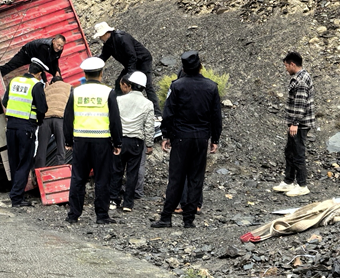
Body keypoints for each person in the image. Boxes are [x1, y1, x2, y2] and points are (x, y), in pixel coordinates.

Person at [151, 51, 222, 229]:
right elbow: (216, 116)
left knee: (176, 177)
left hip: (181, 137)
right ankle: (188, 219)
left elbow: (168, 113)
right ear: (200, 67)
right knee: (196, 178)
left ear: (183, 67)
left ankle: (166, 217)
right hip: (201, 138)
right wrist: (215, 138)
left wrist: (165, 135)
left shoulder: (177, 86)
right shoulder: (211, 87)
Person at [63, 57, 122, 224]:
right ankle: (102, 216)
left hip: (80, 141)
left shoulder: (75, 92)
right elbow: (115, 120)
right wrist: (117, 143)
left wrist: (68, 141)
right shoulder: (108, 92)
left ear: (85, 74)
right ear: (101, 74)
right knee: (102, 179)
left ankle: (73, 215)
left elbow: (68, 118)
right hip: (102, 142)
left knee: (78, 178)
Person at [1, 58, 49, 208]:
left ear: (29, 69)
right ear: (39, 73)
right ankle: (16, 197)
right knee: (24, 162)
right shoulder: (36, 85)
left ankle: (16, 195)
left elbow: (5, 102)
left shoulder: (14, 81)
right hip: (26, 128)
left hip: (11, 127)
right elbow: (42, 108)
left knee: (14, 162)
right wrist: (38, 120)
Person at [91, 22, 160, 117]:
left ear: (105, 33)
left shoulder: (122, 38)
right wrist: (93, 65)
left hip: (143, 60)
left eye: (100, 36)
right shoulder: (108, 44)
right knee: (119, 83)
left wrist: (130, 74)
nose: (100, 38)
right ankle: (120, 111)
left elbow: (132, 56)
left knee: (147, 85)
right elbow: (104, 56)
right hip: (130, 63)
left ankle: (157, 113)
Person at [110, 71, 154, 213]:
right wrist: (149, 144)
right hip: (136, 142)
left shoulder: (119, 100)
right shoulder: (148, 104)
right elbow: (149, 126)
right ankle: (128, 203)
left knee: (117, 169)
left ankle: (113, 199)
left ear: (131, 85)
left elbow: (113, 121)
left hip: (120, 140)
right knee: (132, 172)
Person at [273, 51, 315, 197]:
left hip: (300, 124)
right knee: (290, 150)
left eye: (286, 65)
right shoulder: (299, 77)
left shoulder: (301, 79)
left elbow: (300, 103)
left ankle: (302, 185)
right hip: (296, 123)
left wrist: (295, 123)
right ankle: (288, 181)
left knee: (298, 152)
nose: (286, 69)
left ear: (292, 64)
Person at [34, 71, 72, 170]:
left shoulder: (47, 89)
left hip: (45, 120)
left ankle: (39, 170)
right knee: (61, 147)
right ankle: (61, 169)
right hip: (59, 119)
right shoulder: (68, 87)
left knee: (41, 148)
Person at [0, 35, 66, 78]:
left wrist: (56, 71)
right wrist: (45, 81)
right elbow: (40, 65)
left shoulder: (59, 49)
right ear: (53, 41)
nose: (59, 48)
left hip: (41, 56)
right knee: (11, 65)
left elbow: (55, 60)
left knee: (57, 75)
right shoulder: (44, 47)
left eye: (61, 46)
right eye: (58, 45)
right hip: (27, 54)